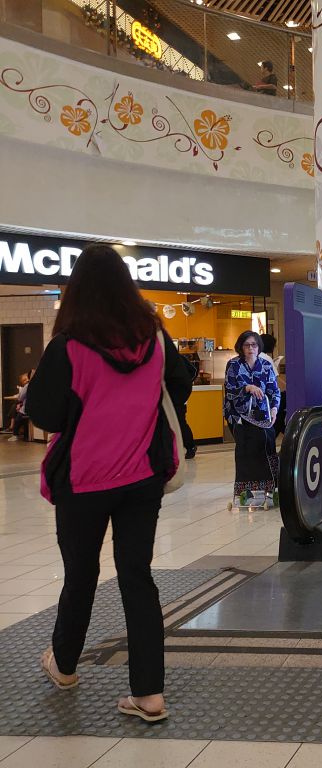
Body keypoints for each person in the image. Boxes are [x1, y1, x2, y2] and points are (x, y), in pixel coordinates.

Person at [25, 243, 192, 723]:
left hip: (83, 480)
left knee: (80, 574)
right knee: (137, 576)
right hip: (142, 477)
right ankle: (149, 694)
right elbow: (180, 384)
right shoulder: (154, 338)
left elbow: (44, 413)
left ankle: (64, 665)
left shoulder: (68, 346)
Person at [224, 331, 280, 507]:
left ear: (259, 347)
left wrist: (274, 409)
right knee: (245, 451)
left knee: (266, 447)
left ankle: (270, 489)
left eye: (254, 345)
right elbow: (230, 390)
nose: (250, 348)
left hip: (262, 415)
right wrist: (247, 388)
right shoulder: (233, 365)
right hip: (239, 416)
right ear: (241, 347)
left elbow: (274, 391)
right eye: (247, 345)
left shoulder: (266, 365)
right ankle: (244, 492)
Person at [260, 333, 287, 435]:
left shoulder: (254, 356)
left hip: (260, 397)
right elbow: (275, 380)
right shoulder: (266, 358)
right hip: (270, 396)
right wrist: (288, 388)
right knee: (278, 418)